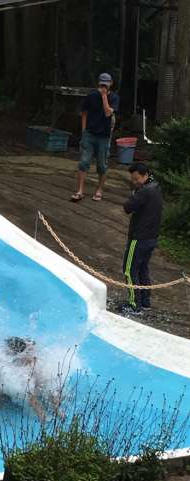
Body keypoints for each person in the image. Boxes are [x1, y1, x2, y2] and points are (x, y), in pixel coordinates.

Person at [119, 163, 163, 314]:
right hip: (151, 238)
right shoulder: (156, 187)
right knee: (142, 269)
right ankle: (145, 302)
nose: (134, 182)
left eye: (136, 179)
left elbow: (127, 207)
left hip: (139, 238)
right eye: (132, 179)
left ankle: (134, 305)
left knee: (129, 270)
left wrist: (135, 192)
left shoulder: (144, 191)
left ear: (145, 175)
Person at [71, 73, 120, 202]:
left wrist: (104, 96)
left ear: (111, 84)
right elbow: (84, 113)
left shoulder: (114, 98)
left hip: (104, 136)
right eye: (102, 84)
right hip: (89, 134)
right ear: (98, 83)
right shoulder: (91, 96)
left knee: (102, 165)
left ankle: (99, 190)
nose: (104, 86)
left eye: (106, 84)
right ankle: (80, 191)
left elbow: (108, 113)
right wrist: (83, 130)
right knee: (83, 162)